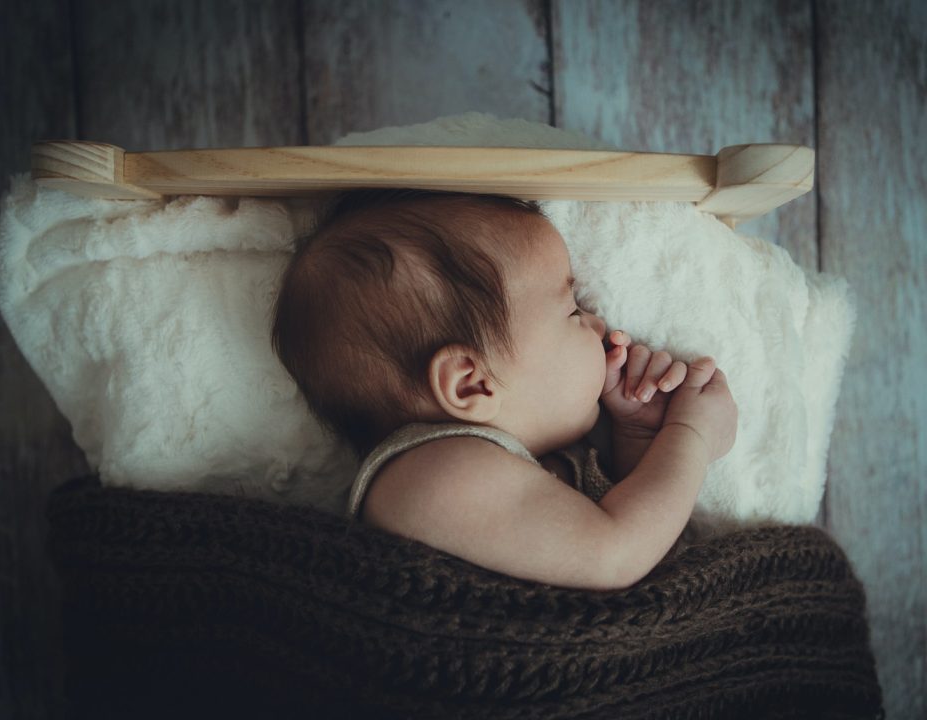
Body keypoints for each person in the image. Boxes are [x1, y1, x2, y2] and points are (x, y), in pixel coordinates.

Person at [271, 189, 737, 590]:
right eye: (572, 311)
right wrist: (690, 437)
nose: (598, 322)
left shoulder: (522, 463)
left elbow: (646, 550)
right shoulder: (433, 476)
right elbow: (614, 555)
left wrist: (638, 436)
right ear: (471, 383)